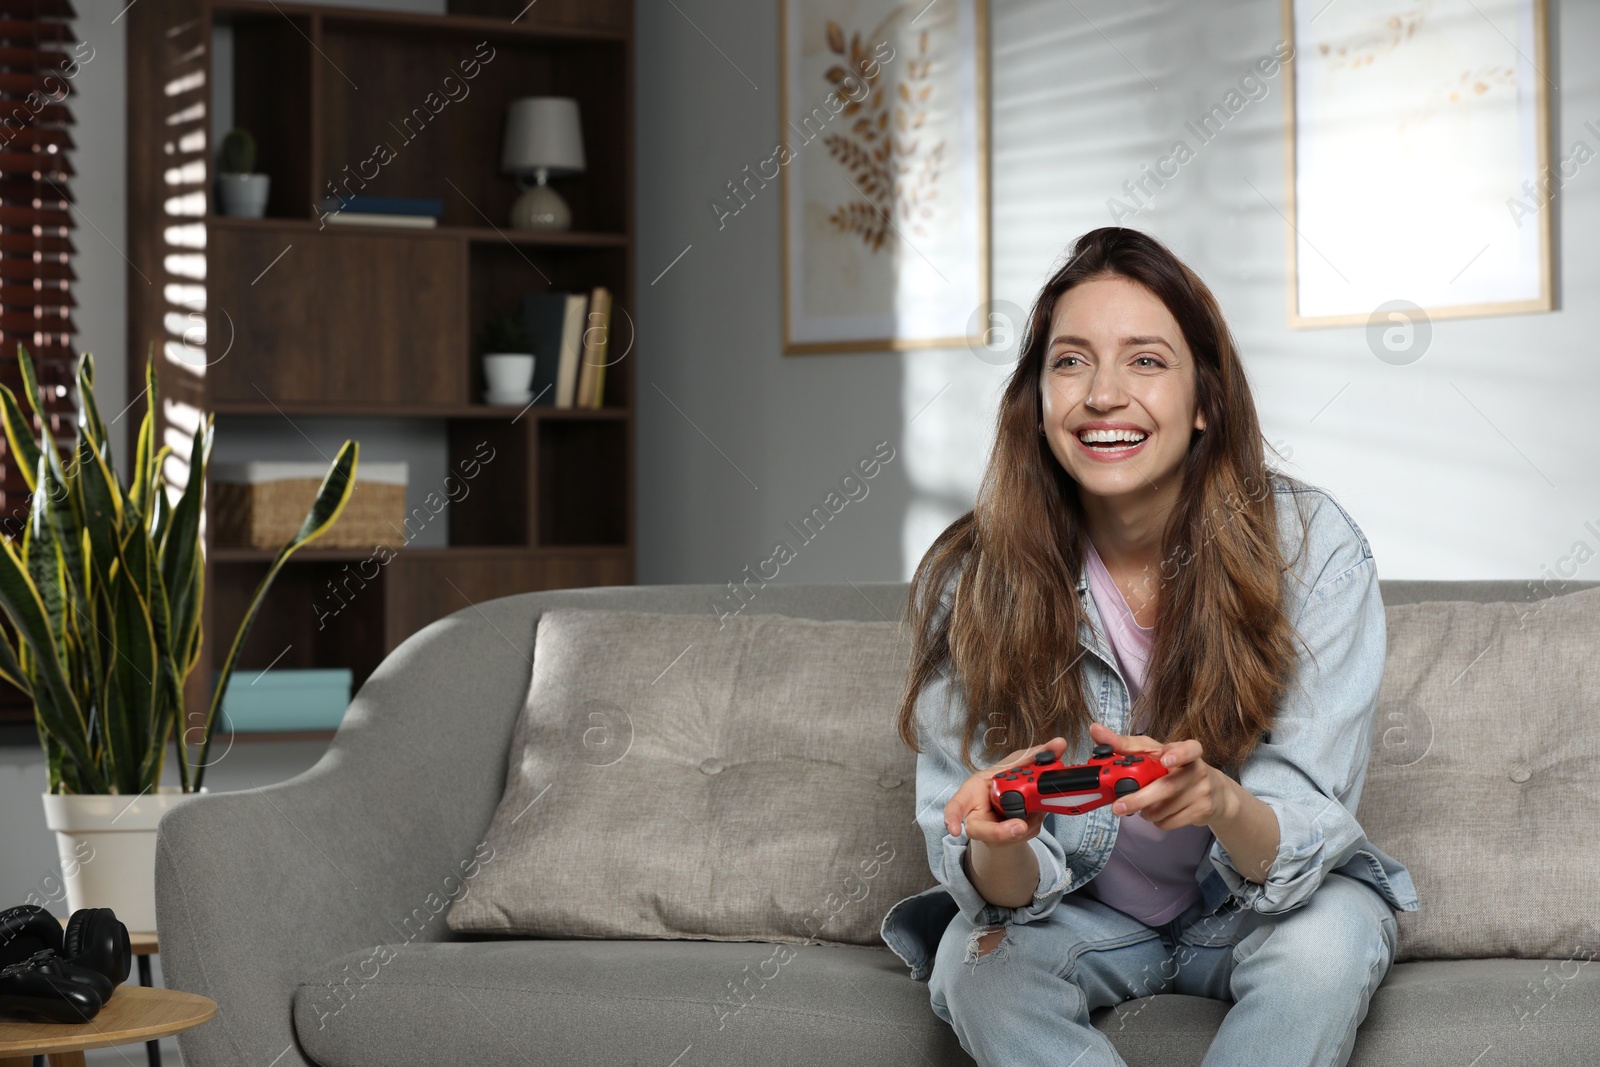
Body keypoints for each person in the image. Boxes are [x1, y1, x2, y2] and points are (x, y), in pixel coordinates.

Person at [877, 227, 1420, 1067]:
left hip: (1255, 912)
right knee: (974, 963)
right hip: (1081, 917)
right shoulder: (973, 576)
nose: (1102, 394)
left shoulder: (1312, 549)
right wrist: (1001, 839)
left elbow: (1307, 820)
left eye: (1145, 361)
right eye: (1070, 361)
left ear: (1205, 399)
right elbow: (1000, 894)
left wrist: (1218, 802)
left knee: (1330, 940)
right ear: (1037, 398)